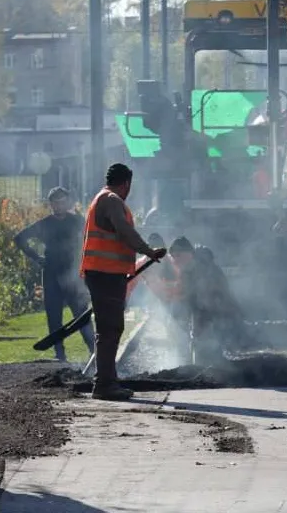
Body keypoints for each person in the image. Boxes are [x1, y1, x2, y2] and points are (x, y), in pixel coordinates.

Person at [80, 163, 168, 400]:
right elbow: (124, 231)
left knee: (109, 328)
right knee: (110, 329)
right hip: (105, 274)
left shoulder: (101, 199)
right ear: (126, 183)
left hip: (103, 274)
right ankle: (104, 385)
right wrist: (148, 251)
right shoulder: (111, 200)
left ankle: (106, 381)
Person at [14, 187, 94, 363]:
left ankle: (93, 350)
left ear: (68, 202)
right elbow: (20, 238)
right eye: (56, 203)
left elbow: (92, 238)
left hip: (73, 273)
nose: (59, 206)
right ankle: (60, 354)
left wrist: (86, 261)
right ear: (51, 205)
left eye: (63, 202)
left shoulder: (77, 221)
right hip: (51, 274)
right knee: (54, 316)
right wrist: (37, 257)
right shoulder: (45, 224)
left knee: (81, 313)